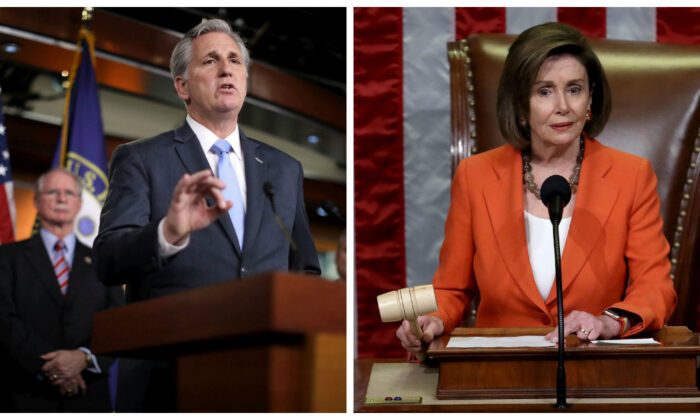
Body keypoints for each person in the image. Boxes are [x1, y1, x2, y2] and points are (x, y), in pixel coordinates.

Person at [396, 22, 676, 354]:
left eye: (574, 89)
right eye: (544, 91)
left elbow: (655, 285)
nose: (563, 106)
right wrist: (433, 320)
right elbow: (451, 289)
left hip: (590, 366)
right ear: (520, 104)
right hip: (497, 374)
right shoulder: (476, 176)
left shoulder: (631, 175)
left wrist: (609, 322)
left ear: (590, 98)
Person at [93, 19, 320, 411]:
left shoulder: (284, 169)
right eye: (210, 61)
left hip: (267, 376)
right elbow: (108, 260)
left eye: (234, 60)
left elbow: (305, 271)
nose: (226, 69)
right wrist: (168, 231)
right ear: (182, 85)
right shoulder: (141, 159)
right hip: (171, 377)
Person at [0, 168, 124, 412]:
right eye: (53, 192)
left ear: (79, 204)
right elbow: (3, 320)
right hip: (23, 396)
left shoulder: (103, 262)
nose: (61, 198)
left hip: (89, 396)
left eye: (69, 193)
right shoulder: (6, 257)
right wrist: (57, 368)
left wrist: (84, 358)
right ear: (37, 201)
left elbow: (117, 323)